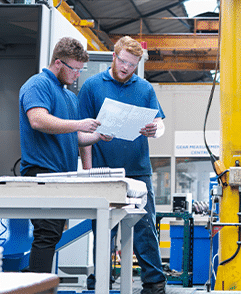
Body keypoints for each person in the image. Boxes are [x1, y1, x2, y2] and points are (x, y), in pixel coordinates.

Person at [78, 36, 166, 294]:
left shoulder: (145, 89)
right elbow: (82, 136)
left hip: (139, 170)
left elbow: (160, 124)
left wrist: (155, 130)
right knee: (103, 229)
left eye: (133, 64)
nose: (127, 68)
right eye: (124, 61)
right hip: (103, 172)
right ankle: (101, 282)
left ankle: (154, 283)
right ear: (114, 57)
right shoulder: (92, 87)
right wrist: (88, 171)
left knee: (144, 227)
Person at [19, 36, 103, 273]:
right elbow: (37, 119)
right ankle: (38, 287)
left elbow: (72, 136)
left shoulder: (68, 96)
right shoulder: (38, 85)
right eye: (74, 69)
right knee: (46, 234)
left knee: (52, 235)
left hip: (62, 177)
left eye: (80, 69)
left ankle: (38, 283)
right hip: (42, 173)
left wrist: (97, 136)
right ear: (58, 63)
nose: (78, 75)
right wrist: (78, 124)